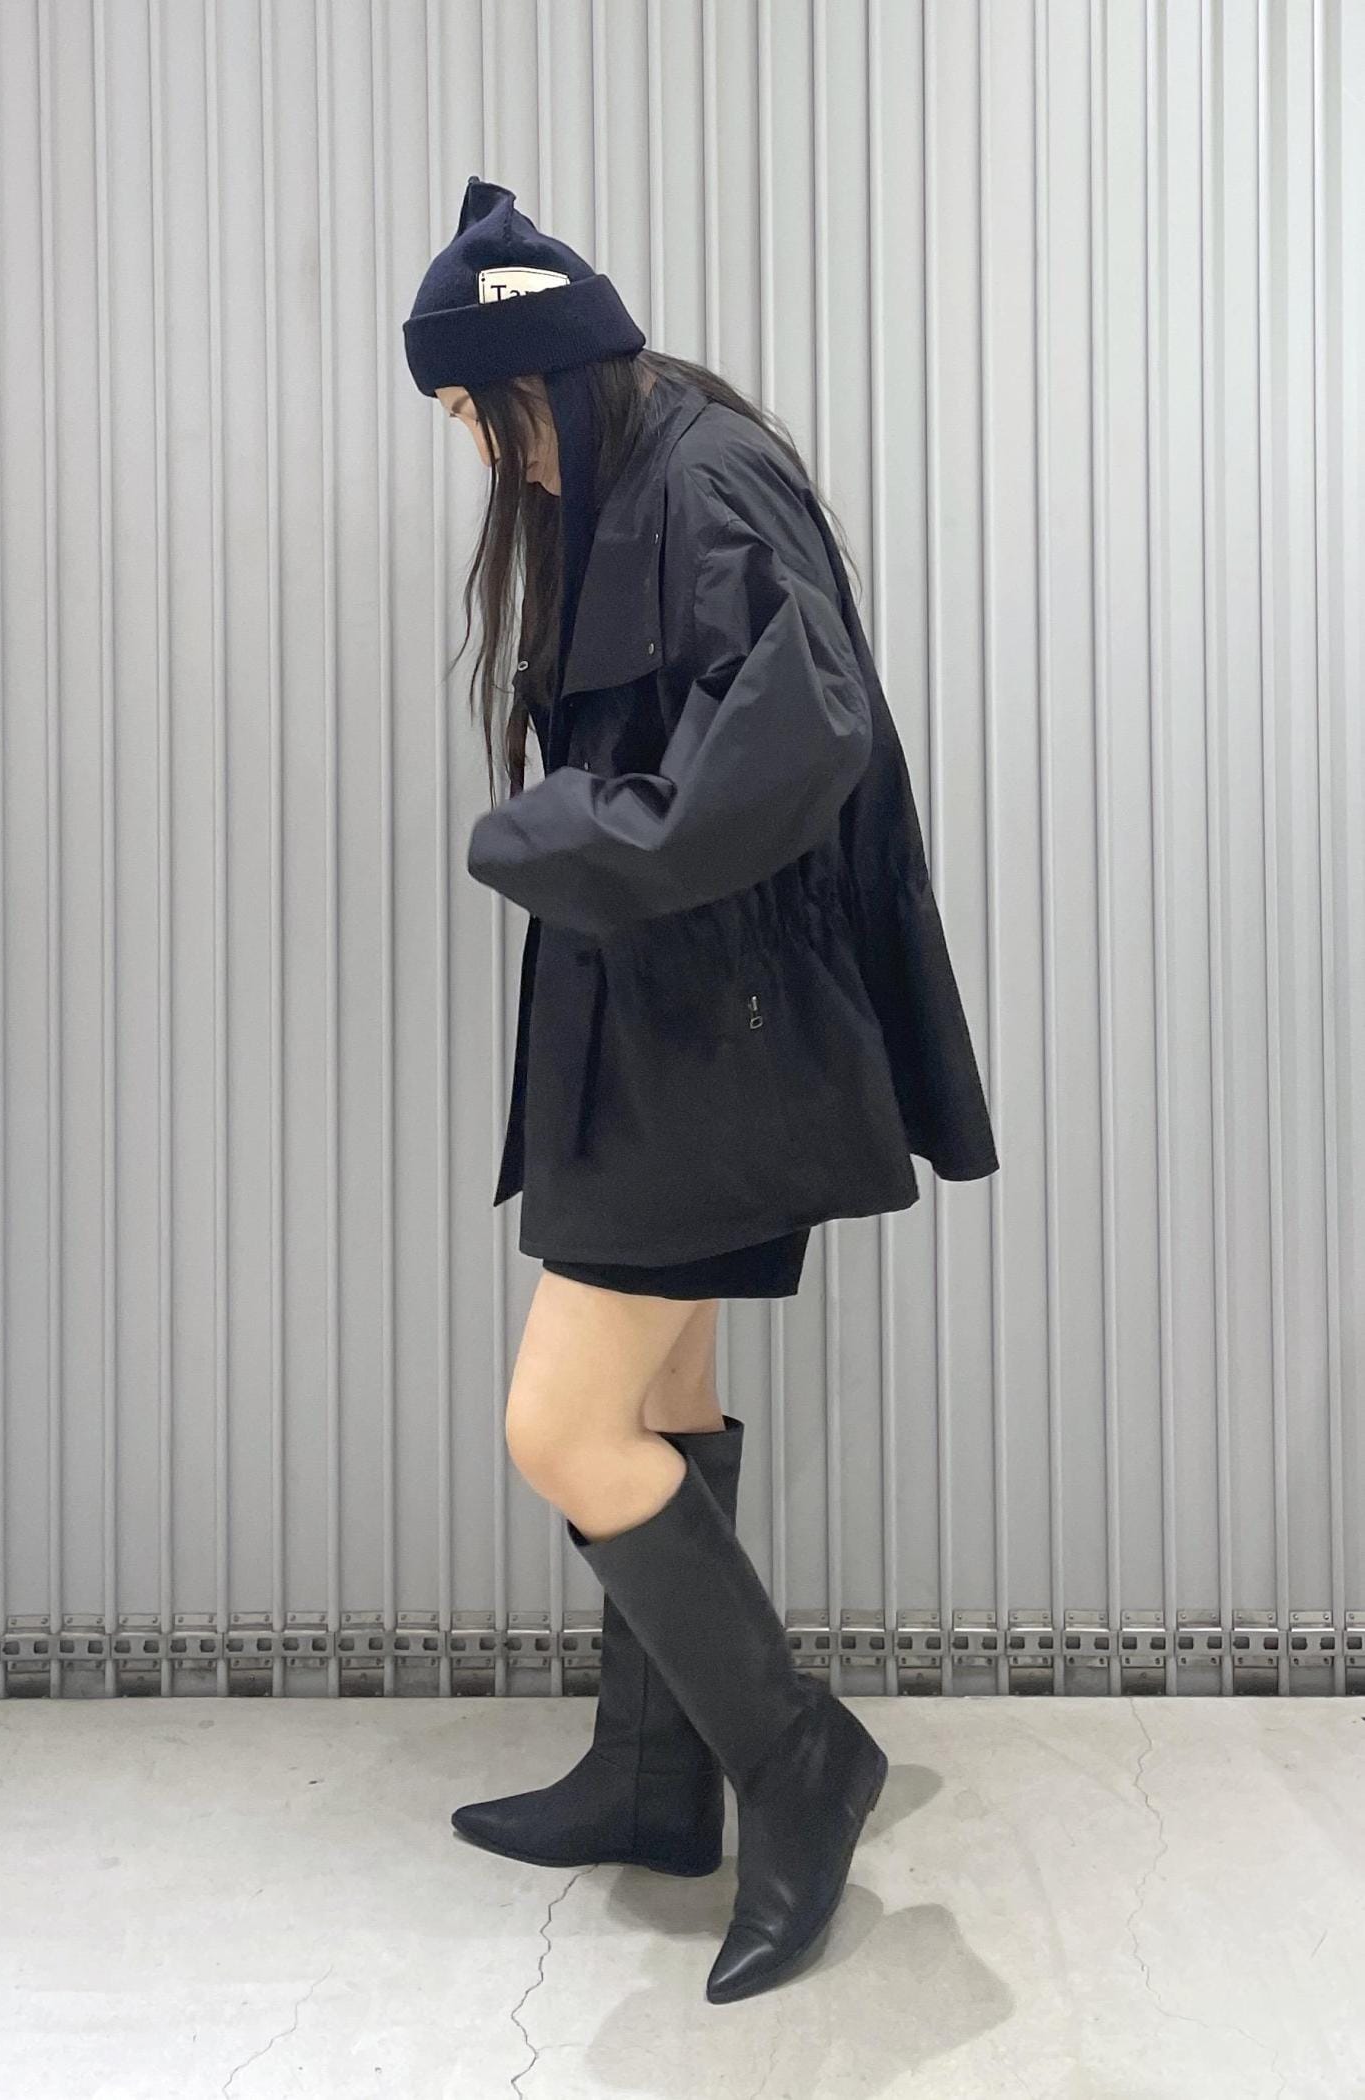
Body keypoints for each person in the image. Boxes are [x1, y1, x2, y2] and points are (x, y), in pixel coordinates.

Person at [401, 177, 998, 2005]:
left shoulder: (703, 482)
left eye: (478, 410)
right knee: (661, 1396)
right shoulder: (637, 478)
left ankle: (797, 1762)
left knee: (560, 1425)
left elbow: (802, 740)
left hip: (706, 1040)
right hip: (665, 1028)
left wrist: (564, 831)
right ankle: (658, 1781)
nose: (480, 450)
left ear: (546, 375)